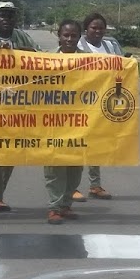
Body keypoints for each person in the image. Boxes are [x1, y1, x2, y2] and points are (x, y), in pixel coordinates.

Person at [0, 1, 40, 214]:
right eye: (3, 15)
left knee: (11, 154)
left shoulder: (23, 37)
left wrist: (15, 52)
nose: (7, 18)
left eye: (11, 15)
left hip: (17, 105)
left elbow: (39, 57)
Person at [73, 12, 122, 202]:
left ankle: (95, 185)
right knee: (77, 145)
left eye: (101, 28)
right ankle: (72, 187)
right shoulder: (78, 45)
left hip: (103, 102)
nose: (98, 31)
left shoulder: (110, 45)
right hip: (80, 102)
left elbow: (121, 67)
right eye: (94, 28)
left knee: (96, 144)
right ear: (86, 29)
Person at [43, 19, 86, 225]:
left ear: (79, 37)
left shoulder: (90, 61)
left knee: (75, 167)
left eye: (74, 36)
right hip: (52, 122)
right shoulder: (46, 60)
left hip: (80, 122)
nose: (69, 39)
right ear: (58, 35)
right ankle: (54, 206)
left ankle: (66, 204)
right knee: (54, 167)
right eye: (66, 35)